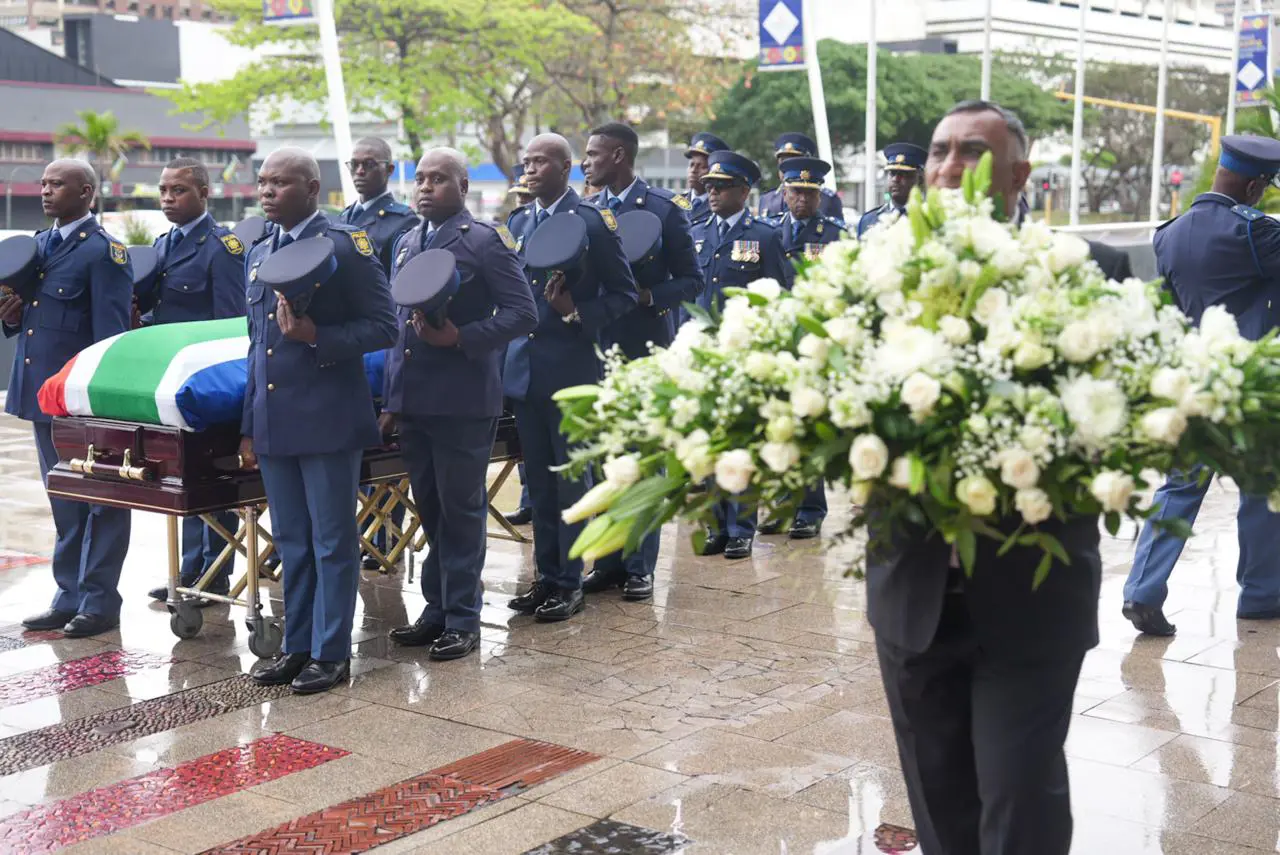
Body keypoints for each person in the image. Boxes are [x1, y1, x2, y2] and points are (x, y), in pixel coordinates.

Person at [868, 99, 1116, 855]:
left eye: (972, 152)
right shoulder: (871, 273)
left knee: (1019, 798)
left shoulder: (1078, 274)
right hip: (913, 595)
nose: (947, 167)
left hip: (1030, 597)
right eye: (940, 149)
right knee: (940, 806)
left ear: (1019, 174)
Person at [243, 148, 396, 694]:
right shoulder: (259, 250)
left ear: (312, 188)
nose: (267, 191)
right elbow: (256, 346)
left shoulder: (345, 244)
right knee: (290, 539)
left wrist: (318, 338)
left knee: (332, 539)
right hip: (275, 417)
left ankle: (331, 652)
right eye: (263, 182)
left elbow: (384, 326)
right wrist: (248, 424)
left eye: (280, 183)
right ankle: (297, 645)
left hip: (328, 414)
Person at [1122, 135, 1280, 637]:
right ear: (1255, 184)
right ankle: (1259, 595)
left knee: (1179, 487)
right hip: (1248, 384)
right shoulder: (1257, 234)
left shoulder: (1168, 234)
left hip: (1193, 382)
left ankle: (1141, 591)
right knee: (1259, 489)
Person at [380, 148, 536, 658]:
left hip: (464, 398)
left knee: (462, 511)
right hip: (417, 400)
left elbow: (522, 313)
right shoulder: (405, 241)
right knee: (430, 510)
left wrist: (463, 337)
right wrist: (391, 398)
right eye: (421, 178)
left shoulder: (485, 242)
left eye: (439, 179)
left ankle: (464, 618)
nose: (426, 187)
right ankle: (436, 609)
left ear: (463, 186)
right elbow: (398, 330)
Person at [503, 133, 637, 621]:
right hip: (526, 373)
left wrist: (577, 310)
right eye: (526, 162)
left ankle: (570, 581)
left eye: (541, 162)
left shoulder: (593, 223)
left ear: (565, 167)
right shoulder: (519, 222)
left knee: (570, 483)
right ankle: (546, 576)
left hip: (572, 372)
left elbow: (623, 294)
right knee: (537, 484)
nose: (531, 169)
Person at [1, 159, 132, 638]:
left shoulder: (103, 253)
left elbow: (109, 336)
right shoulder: (38, 245)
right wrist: (11, 316)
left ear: (87, 192)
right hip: (42, 396)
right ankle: (68, 595)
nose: (46, 191)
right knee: (64, 499)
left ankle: (100, 601)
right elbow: (29, 319)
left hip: (80, 400)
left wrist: (101, 402)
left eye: (58, 184)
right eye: (43, 183)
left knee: (102, 500)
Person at [580, 122, 701, 601]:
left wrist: (649, 295)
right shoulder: (588, 210)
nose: (585, 162)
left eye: (593, 154)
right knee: (605, 459)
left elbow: (690, 279)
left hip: (643, 349)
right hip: (593, 351)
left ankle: (639, 566)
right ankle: (607, 561)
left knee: (643, 460)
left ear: (618, 155)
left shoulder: (663, 209)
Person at [137, 157, 246, 607]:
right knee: (183, 478)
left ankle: (215, 574)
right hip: (172, 382)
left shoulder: (222, 248)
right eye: (163, 191)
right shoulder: (163, 245)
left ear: (204, 193)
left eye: (178, 191)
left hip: (208, 383)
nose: (168, 199)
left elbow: (230, 324)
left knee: (212, 482)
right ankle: (189, 569)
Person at [691, 150, 793, 560]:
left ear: (744, 191)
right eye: (709, 186)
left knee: (742, 441)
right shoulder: (696, 232)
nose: (712, 192)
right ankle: (716, 523)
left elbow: (779, 296)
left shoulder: (764, 236)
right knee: (709, 441)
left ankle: (740, 527)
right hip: (702, 352)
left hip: (743, 354)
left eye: (721, 187)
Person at [339, 137, 418, 571]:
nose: (359, 171)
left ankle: (387, 533)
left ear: (389, 170)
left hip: (382, 347)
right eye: (354, 164)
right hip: (347, 346)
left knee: (384, 451)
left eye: (369, 164)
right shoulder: (342, 219)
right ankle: (367, 530)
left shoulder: (401, 222)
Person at [759, 156, 845, 541]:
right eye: (795, 192)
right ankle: (779, 502)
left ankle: (810, 509)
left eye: (810, 194)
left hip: (814, 343)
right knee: (776, 422)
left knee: (809, 424)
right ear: (784, 192)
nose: (802, 201)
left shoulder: (835, 235)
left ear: (819, 196)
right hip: (777, 342)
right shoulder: (769, 231)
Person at [756, 133, 844, 223]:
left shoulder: (828, 199)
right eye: (783, 161)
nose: (787, 166)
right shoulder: (766, 198)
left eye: (793, 161)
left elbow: (835, 233)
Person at [856, 143, 926, 238]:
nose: (895, 179)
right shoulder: (868, 220)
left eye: (904, 174)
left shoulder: (929, 218)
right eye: (892, 173)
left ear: (920, 179)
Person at [682, 132, 729, 227]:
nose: (693, 170)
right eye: (691, 165)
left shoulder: (723, 207)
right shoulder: (676, 203)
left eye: (702, 166)